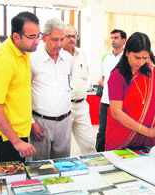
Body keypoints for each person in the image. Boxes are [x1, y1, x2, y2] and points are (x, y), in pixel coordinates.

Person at [0, 12, 40, 162]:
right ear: (16, 36)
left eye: (38, 35)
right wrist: (17, 142)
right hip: (5, 137)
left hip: (17, 131)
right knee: (11, 182)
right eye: (32, 37)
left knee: (20, 179)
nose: (37, 41)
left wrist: (30, 123)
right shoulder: (4, 60)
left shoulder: (23, 51)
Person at [105, 32, 155, 151]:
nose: (141, 62)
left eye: (145, 58)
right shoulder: (117, 76)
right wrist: (148, 131)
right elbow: (116, 112)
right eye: (137, 57)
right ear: (127, 52)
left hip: (145, 139)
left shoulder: (150, 72)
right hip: (122, 136)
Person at [30, 18, 73, 160]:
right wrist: (31, 122)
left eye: (62, 39)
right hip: (40, 123)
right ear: (43, 37)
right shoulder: (32, 59)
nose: (60, 44)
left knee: (63, 165)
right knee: (39, 167)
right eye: (55, 39)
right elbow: (23, 95)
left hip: (65, 122)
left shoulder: (68, 59)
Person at [62, 25, 96, 155]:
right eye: (68, 36)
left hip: (82, 105)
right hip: (65, 106)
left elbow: (85, 75)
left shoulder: (82, 54)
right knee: (63, 147)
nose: (71, 39)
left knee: (89, 145)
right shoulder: (58, 55)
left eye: (73, 36)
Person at [96, 29, 127, 152]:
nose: (113, 40)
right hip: (105, 101)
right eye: (112, 38)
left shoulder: (127, 58)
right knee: (102, 132)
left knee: (119, 132)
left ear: (124, 40)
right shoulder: (106, 57)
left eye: (116, 38)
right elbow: (102, 79)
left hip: (121, 102)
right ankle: (98, 156)